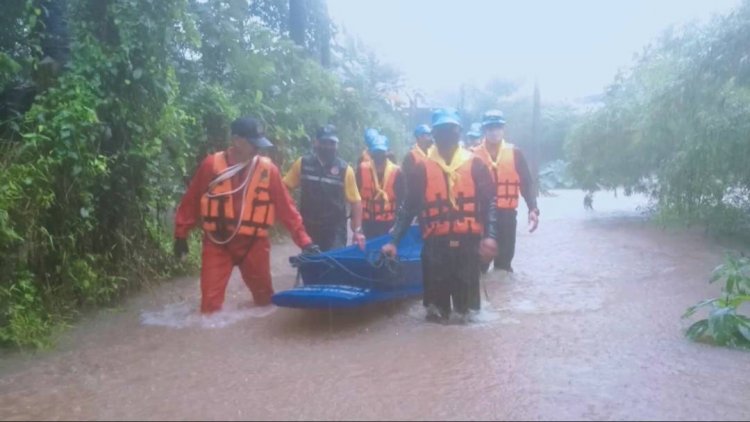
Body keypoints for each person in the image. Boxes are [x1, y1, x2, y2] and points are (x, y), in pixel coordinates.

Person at [173, 116, 320, 314]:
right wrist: (181, 234)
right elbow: (191, 200)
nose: (257, 148)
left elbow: (287, 209)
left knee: (265, 303)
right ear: (237, 140)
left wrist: (305, 241)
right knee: (209, 309)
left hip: (254, 245)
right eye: (253, 143)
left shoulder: (269, 170)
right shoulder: (211, 166)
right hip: (218, 243)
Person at [382, 108, 498, 322]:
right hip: (435, 246)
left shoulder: (475, 164)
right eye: (442, 130)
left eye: (451, 129)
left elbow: (490, 201)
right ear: (434, 134)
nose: (447, 134)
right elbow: (409, 207)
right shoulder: (421, 168)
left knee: (468, 316)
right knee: (436, 314)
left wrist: (490, 235)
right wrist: (394, 241)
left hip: (468, 244)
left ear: (459, 131)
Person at [473, 110, 540, 273]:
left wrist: (532, 208)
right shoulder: (472, 155)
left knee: (503, 267)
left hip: (507, 215)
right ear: (484, 130)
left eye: (498, 127)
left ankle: (503, 295)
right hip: (482, 215)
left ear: (503, 129)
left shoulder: (515, 153)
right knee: (478, 266)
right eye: (490, 128)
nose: (494, 131)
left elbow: (526, 183)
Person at [284, 124, 366, 251]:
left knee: (333, 266)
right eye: (324, 142)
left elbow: (356, 202)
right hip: (309, 227)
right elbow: (284, 188)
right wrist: (291, 213)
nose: (328, 147)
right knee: (310, 265)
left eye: (332, 143)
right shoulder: (303, 163)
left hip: (335, 230)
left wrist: (358, 230)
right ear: (316, 143)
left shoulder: (345, 170)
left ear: (337, 145)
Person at [357, 134, 404, 238]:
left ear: (386, 152)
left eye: (381, 152)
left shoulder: (397, 172)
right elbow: (356, 198)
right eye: (376, 152)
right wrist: (357, 227)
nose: (379, 156)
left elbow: (402, 200)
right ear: (372, 153)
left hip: (389, 223)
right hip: (367, 222)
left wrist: (397, 224)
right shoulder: (362, 169)